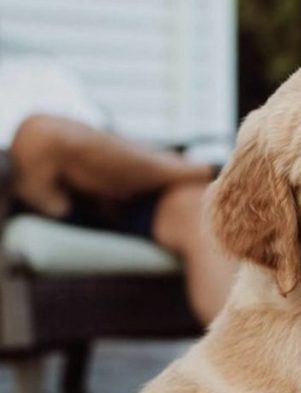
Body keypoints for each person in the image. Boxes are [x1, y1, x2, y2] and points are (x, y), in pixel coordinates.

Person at [1, 55, 235, 324]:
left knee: (198, 205)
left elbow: (97, 129)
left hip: (113, 186)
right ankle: (212, 170)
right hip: (31, 196)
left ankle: (255, 362)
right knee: (40, 134)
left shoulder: (35, 72)